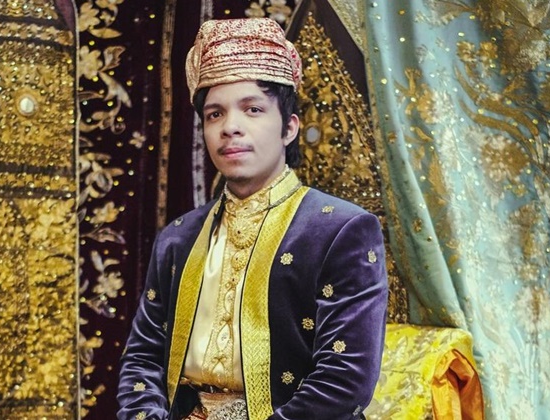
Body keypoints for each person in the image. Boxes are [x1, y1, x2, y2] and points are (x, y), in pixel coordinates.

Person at [117, 17, 388, 420]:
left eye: (253, 109)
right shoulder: (178, 237)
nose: (230, 127)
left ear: (289, 128)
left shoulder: (341, 230)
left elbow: (345, 378)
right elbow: (143, 357)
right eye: (214, 115)